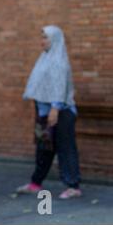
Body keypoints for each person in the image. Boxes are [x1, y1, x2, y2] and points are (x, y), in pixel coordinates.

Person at [17, 25, 82, 199]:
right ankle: (35, 183)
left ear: (55, 40)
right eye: (42, 37)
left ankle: (73, 186)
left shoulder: (59, 60)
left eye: (45, 37)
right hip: (44, 110)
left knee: (65, 148)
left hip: (60, 111)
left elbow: (59, 86)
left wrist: (55, 108)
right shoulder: (44, 58)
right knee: (43, 148)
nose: (42, 41)